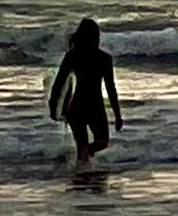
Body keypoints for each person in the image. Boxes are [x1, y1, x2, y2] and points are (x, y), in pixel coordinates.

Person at [48, 13, 123, 170]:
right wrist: (117, 114)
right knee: (101, 142)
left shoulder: (73, 56)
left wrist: (52, 104)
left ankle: (80, 181)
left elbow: (58, 83)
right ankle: (84, 181)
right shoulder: (104, 58)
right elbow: (110, 88)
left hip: (77, 106)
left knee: (81, 147)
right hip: (95, 105)